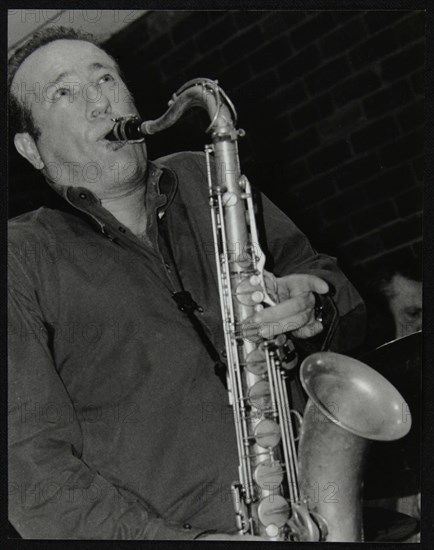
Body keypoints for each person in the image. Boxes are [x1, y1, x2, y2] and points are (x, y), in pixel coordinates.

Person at [8, 27, 366, 540]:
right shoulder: (21, 256)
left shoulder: (209, 179)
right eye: (63, 92)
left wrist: (314, 311)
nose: (99, 103)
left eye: (105, 78)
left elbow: (343, 298)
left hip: (317, 510)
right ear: (31, 148)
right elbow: (28, 475)